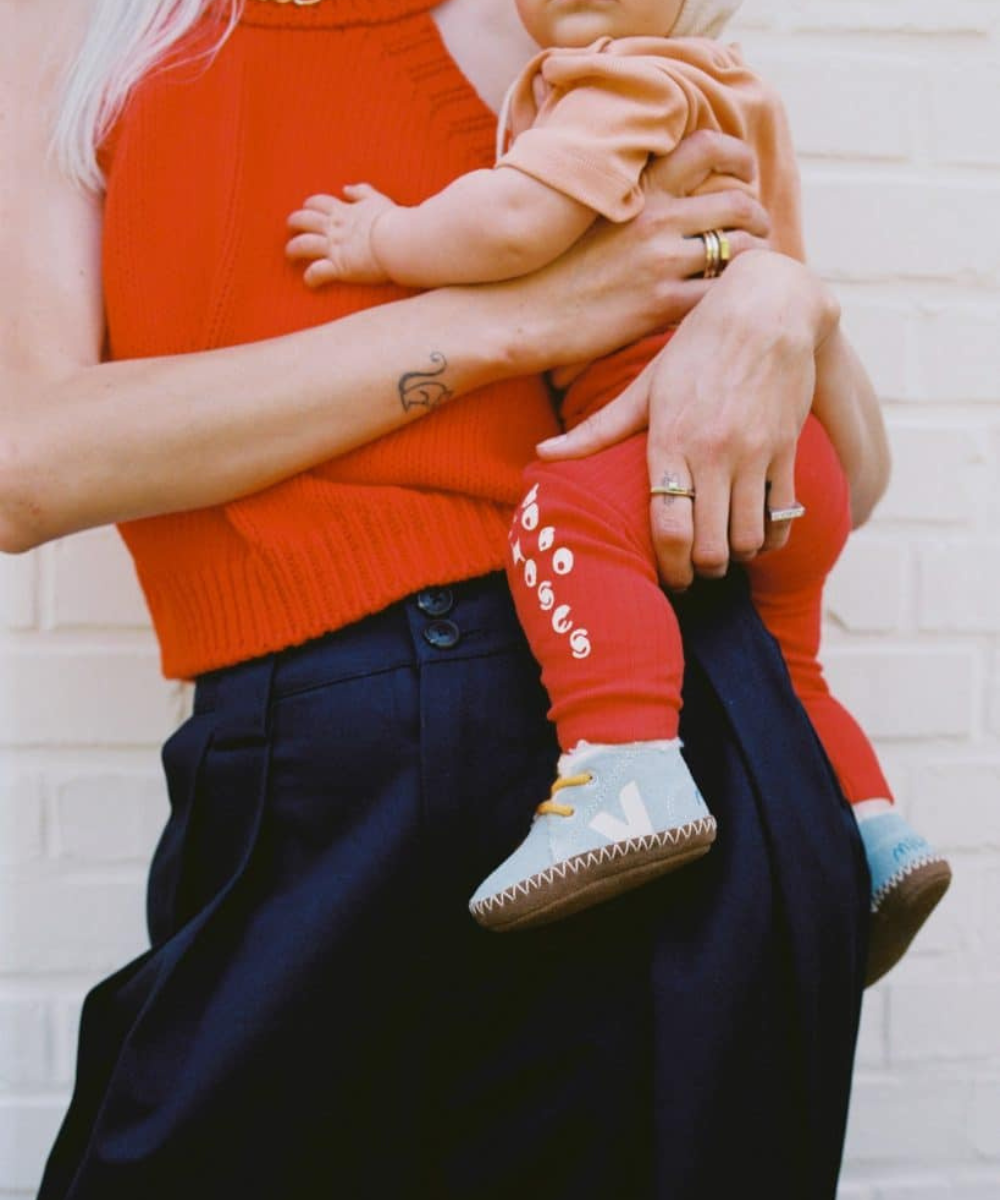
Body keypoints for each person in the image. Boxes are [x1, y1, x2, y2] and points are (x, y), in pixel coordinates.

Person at [3, 0, 874, 1195]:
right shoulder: (81, 27)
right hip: (327, 740)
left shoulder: (548, 21)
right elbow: (26, 465)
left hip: (669, 726)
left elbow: (840, 482)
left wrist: (791, 307)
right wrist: (520, 320)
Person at [285, 0, 949, 980]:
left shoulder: (626, 77)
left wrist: (384, 238)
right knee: (795, 667)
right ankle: (876, 835)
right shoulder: (741, 93)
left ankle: (623, 773)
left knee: (556, 523)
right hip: (788, 443)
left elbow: (513, 221)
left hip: (673, 434)